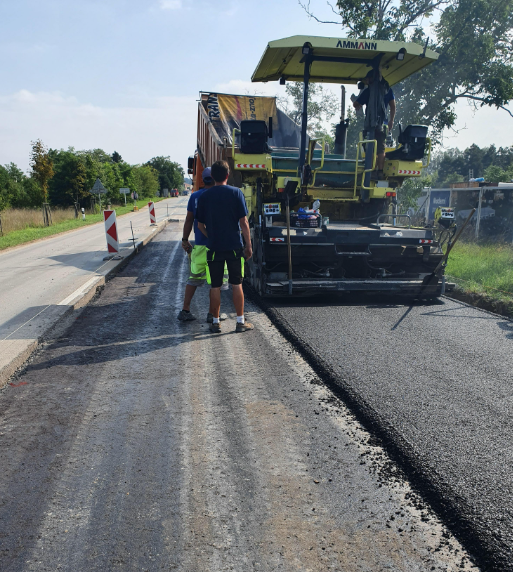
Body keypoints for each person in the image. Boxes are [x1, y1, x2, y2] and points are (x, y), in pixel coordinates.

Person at [196, 160, 253, 334]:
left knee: (215, 286)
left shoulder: (204, 196)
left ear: (212, 176)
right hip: (234, 246)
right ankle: (240, 321)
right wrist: (248, 245)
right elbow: (244, 222)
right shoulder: (236, 193)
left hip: (214, 247)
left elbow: (200, 225)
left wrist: (212, 236)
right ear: (228, 175)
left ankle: (215, 322)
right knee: (237, 284)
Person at [177, 167, 228, 323]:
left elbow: (189, 220)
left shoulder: (195, 197)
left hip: (199, 247)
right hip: (217, 246)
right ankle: (213, 314)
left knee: (194, 278)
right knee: (215, 282)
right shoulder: (221, 195)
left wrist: (185, 239)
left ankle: (185, 310)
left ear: (203, 179)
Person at [353, 69, 396, 180]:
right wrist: (391, 120)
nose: (367, 81)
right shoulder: (388, 90)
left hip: (371, 125)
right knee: (381, 149)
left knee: (370, 148)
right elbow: (393, 106)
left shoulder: (369, 91)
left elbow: (356, 104)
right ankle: (380, 171)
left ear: (372, 78)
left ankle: (371, 171)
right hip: (384, 125)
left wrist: (360, 94)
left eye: (368, 79)